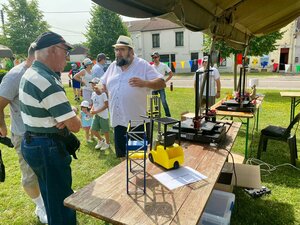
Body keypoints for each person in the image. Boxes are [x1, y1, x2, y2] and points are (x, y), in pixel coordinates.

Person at [19, 31, 81, 225]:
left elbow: (52, 109)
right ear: (54, 50)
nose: (67, 57)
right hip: (48, 147)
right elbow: (75, 126)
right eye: (65, 51)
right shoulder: (46, 80)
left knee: (50, 195)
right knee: (61, 201)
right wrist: (71, 114)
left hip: (33, 142)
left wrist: (67, 111)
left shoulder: (31, 72)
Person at [0, 47, 48, 224]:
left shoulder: (40, 72)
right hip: (23, 135)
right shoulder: (15, 75)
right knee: (29, 174)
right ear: (38, 55)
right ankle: (40, 206)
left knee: (44, 169)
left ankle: (48, 198)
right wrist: (2, 126)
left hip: (43, 133)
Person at [101, 35, 165, 158]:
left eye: (122, 50)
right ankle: (124, 175)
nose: (118, 53)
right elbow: (103, 82)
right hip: (118, 121)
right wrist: (100, 88)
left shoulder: (142, 65)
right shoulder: (113, 66)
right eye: (116, 50)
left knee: (137, 158)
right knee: (121, 157)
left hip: (137, 123)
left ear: (131, 51)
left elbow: (161, 83)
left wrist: (145, 83)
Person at [151, 52, 173, 117]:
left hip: (161, 86)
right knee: (155, 102)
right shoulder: (151, 67)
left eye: (155, 57)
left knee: (163, 101)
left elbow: (171, 74)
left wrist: (165, 81)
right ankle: (157, 115)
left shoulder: (163, 65)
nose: (154, 59)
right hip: (154, 86)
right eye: (153, 57)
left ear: (158, 57)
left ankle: (168, 115)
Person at [90, 82, 110, 150]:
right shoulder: (93, 94)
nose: (93, 87)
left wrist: (96, 111)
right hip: (96, 115)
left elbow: (106, 105)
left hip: (103, 116)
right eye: (92, 85)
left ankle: (107, 143)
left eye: (95, 85)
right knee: (93, 129)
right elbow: (93, 104)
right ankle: (101, 140)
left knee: (105, 131)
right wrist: (92, 109)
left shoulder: (103, 94)